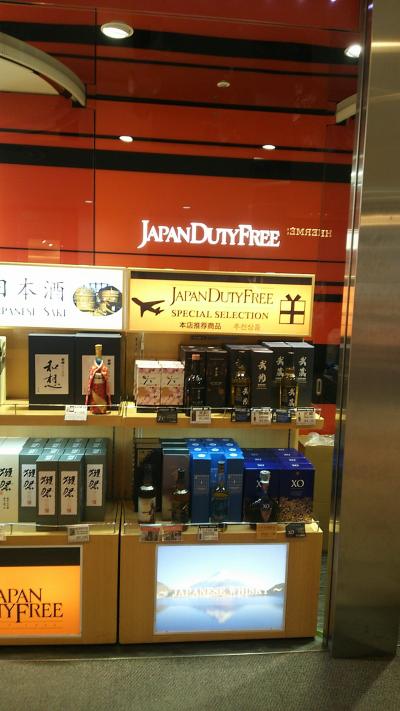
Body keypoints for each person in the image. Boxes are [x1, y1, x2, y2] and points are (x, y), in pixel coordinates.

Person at [85, 344, 111, 414]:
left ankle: (102, 409)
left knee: (102, 396)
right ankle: (94, 409)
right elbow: (90, 379)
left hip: (102, 387)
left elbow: (106, 378)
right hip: (94, 387)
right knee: (94, 398)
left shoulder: (104, 368)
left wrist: (103, 374)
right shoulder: (93, 368)